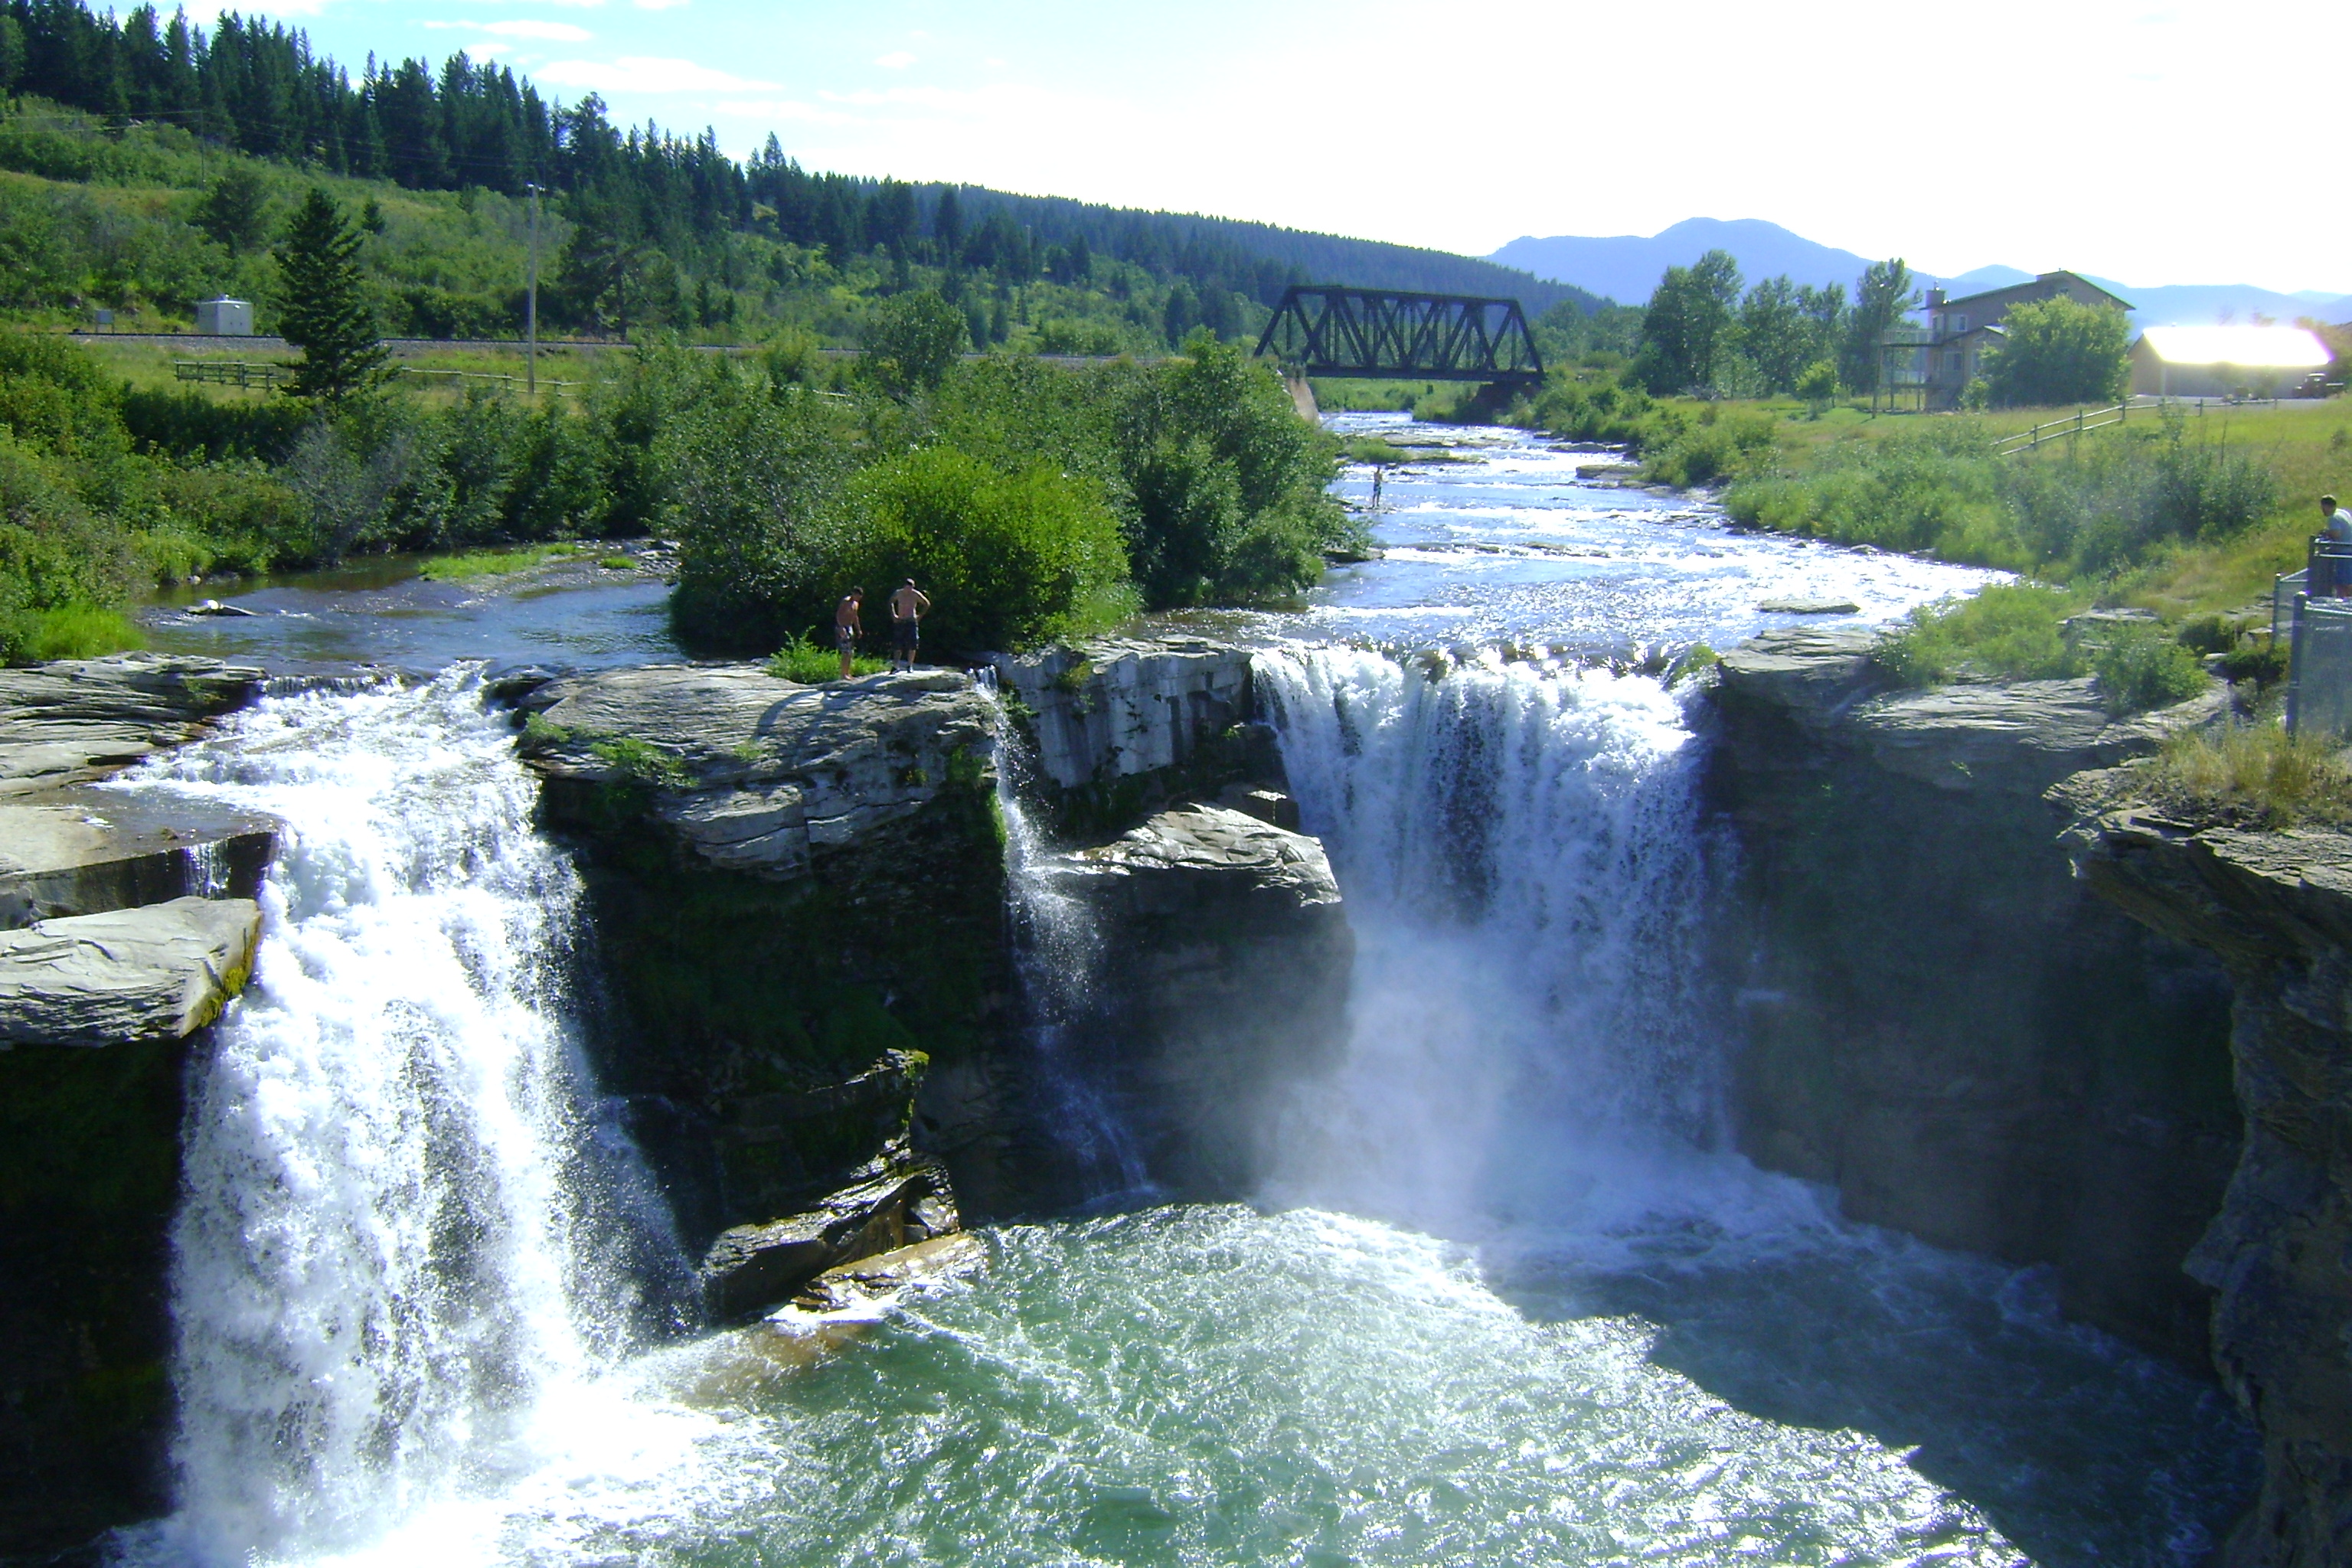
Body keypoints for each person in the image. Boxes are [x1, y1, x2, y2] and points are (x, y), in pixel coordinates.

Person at [888, 578, 931, 671]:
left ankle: (910, 665)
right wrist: (894, 615)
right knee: (898, 644)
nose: (908, 590)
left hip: (911, 620)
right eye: (907, 587)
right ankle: (896, 665)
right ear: (904, 587)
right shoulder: (898, 593)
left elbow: (927, 604)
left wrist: (920, 616)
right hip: (900, 620)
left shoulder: (915, 594)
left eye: (910, 588)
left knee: (913, 643)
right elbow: (891, 602)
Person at [834, 589, 863, 680]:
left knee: (850, 652)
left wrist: (858, 630)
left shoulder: (856, 604)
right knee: (845, 651)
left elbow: (855, 617)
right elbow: (838, 614)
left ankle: (847, 673)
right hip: (842, 627)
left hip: (849, 627)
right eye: (857, 596)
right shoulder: (846, 602)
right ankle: (843, 674)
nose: (858, 598)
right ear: (853, 594)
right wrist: (840, 627)